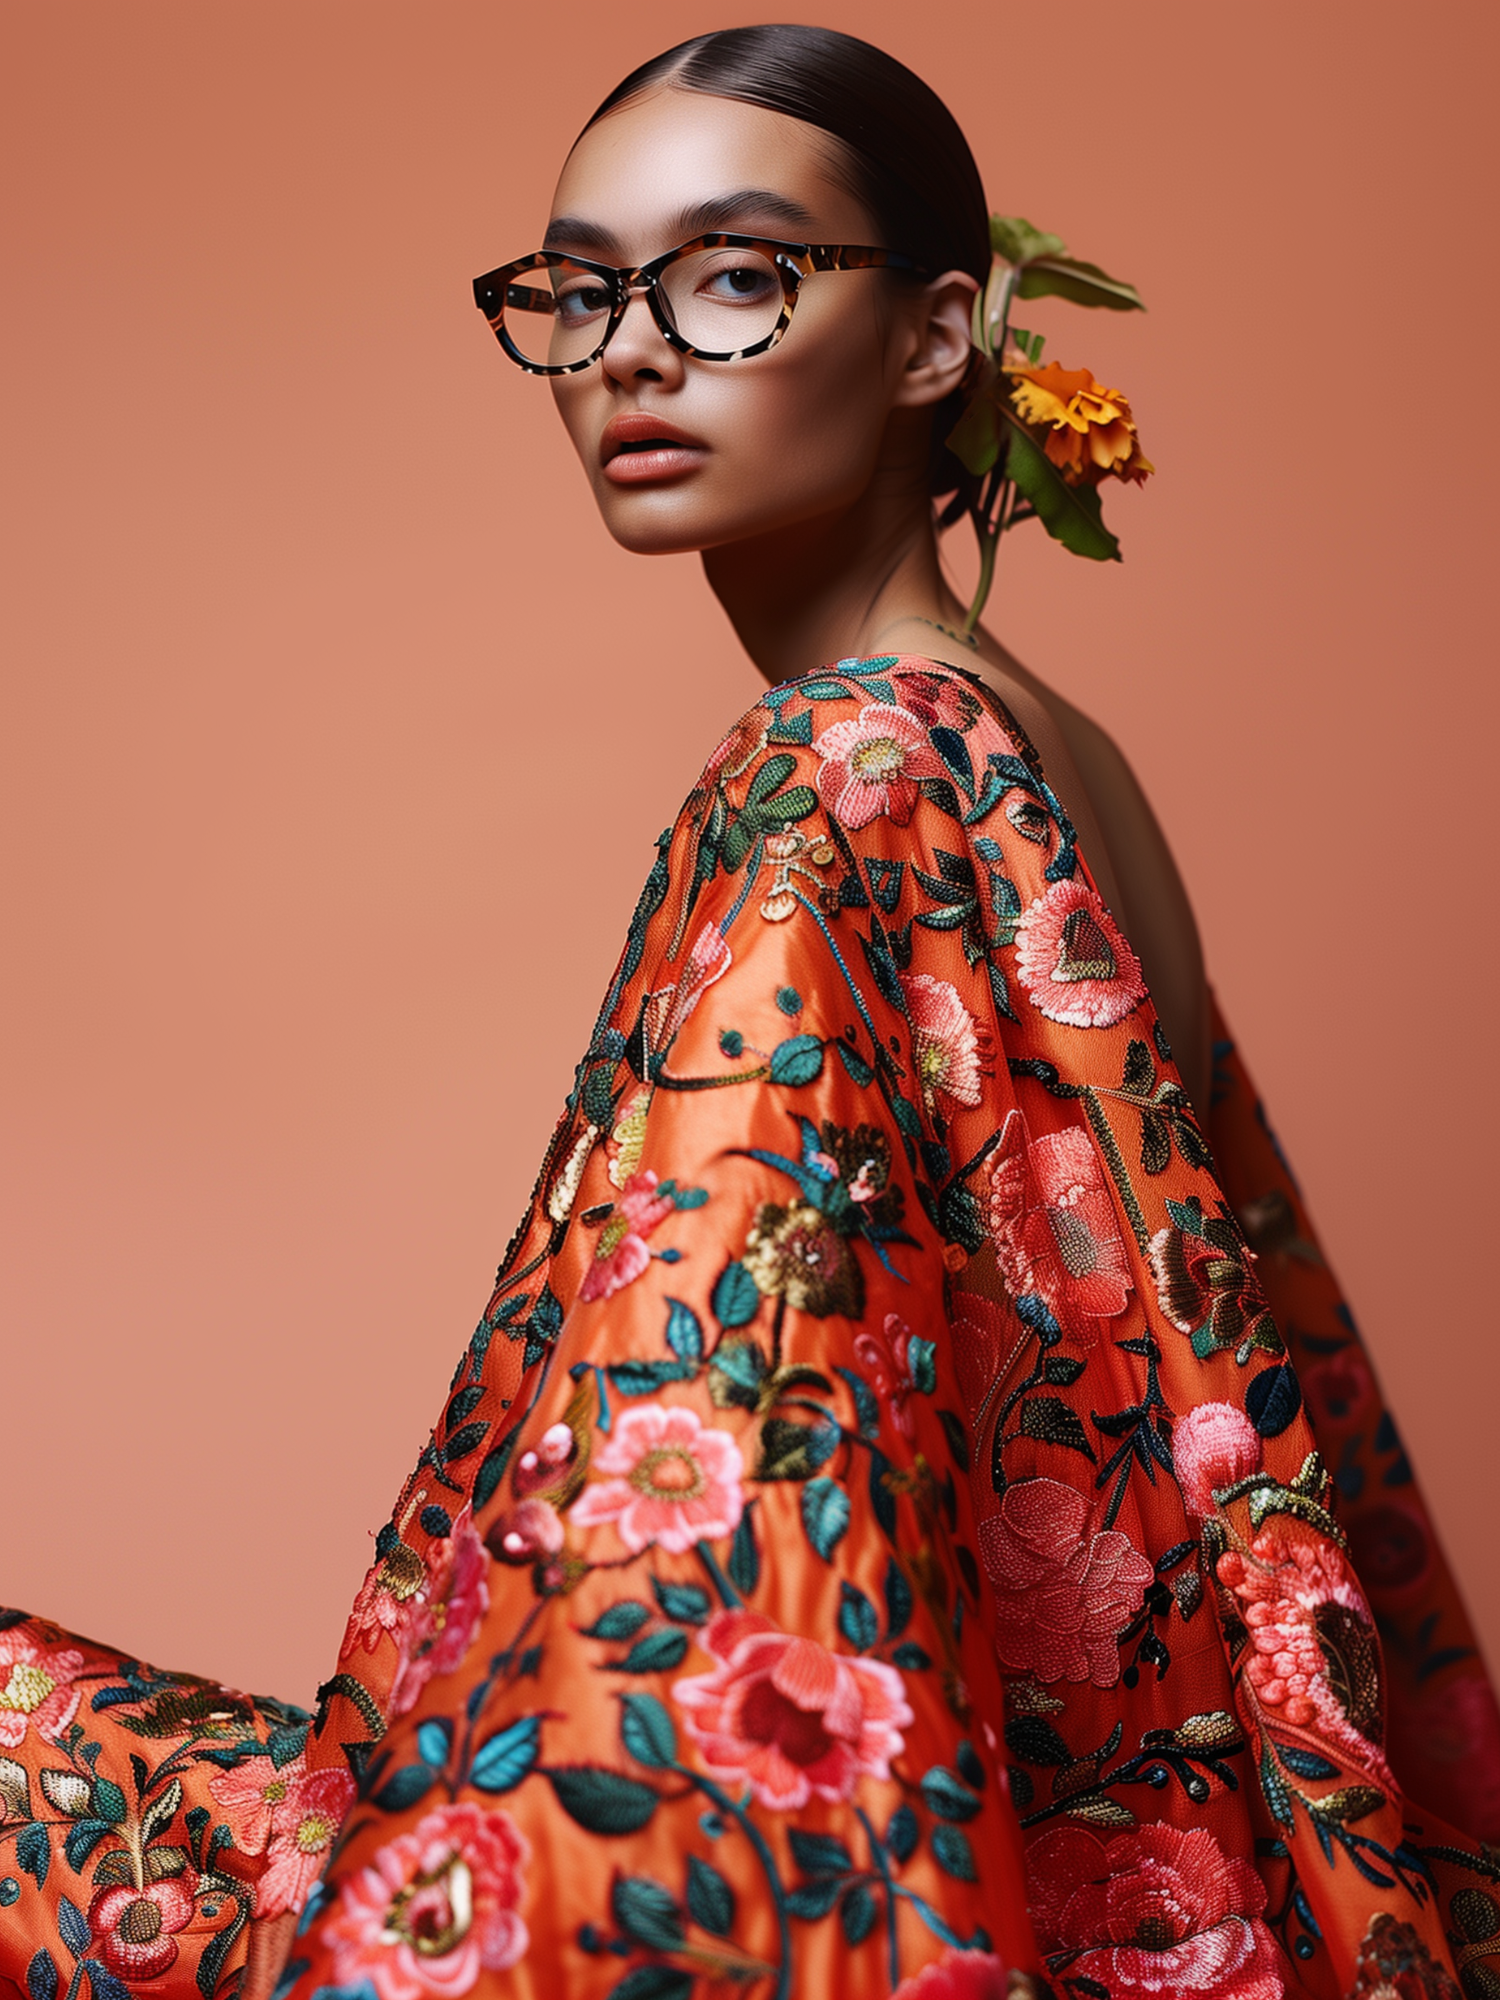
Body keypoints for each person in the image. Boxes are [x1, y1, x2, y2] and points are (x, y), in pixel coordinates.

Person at [3, 26, 1497, 2000]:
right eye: (577, 287)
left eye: (733, 272)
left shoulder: (838, 766)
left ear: (938, 336)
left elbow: (688, 1513)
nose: (631, 347)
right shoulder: (1047, 745)